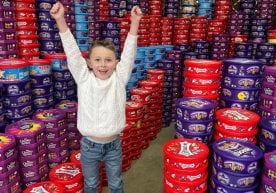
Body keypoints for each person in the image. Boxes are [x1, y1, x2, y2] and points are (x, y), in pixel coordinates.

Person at [50, 2, 143, 193]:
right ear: (89, 63)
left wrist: (135, 23)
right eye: (98, 60)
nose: (103, 65)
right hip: (89, 145)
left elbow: (129, 54)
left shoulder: (119, 78)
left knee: (116, 183)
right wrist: (60, 21)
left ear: (116, 63)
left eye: (108, 60)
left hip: (114, 145)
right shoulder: (84, 78)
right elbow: (73, 53)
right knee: (91, 184)